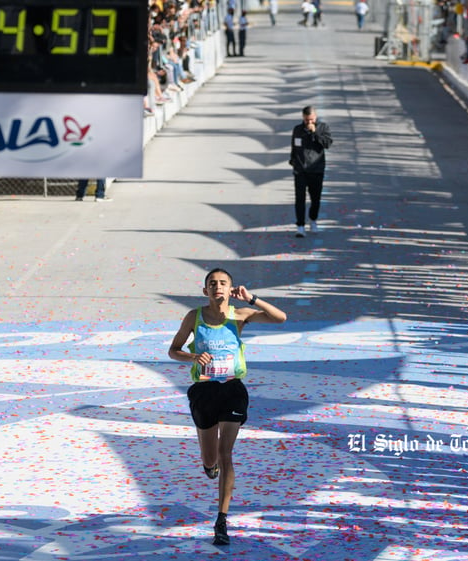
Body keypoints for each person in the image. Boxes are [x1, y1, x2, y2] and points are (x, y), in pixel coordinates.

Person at [168, 268, 287, 546]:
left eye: (223, 283)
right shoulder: (194, 317)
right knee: (210, 459)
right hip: (204, 391)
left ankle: (221, 520)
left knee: (225, 453)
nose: (217, 287)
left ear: (230, 289)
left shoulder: (239, 315)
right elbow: (173, 350)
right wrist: (193, 356)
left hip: (233, 389)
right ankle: (209, 467)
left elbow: (281, 318)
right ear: (205, 291)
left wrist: (252, 299)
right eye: (212, 283)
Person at [288, 105, 333, 238]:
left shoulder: (323, 128)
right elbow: (294, 147)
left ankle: (313, 219)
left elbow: (327, 144)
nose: (309, 123)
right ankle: (300, 226)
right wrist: (293, 161)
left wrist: (315, 132)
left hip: (316, 170)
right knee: (299, 199)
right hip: (300, 171)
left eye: (311, 120)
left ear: (315, 117)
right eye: (307, 120)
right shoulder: (297, 129)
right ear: (303, 117)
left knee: (315, 199)